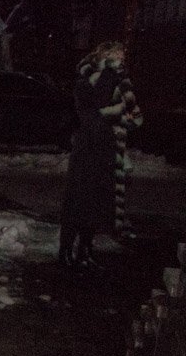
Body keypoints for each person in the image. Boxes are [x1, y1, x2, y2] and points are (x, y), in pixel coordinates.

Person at [59, 40, 143, 270]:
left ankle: (85, 251)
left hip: (107, 147)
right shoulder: (87, 80)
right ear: (103, 55)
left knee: (97, 203)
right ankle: (65, 250)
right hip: (88, 148)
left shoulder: (119, 80)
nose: (121, 58)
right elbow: (92, 112)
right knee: (78, 201)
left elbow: (134, 117)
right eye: (116, 54)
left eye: (122, 54)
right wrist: (109, 77)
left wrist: (121, 117)